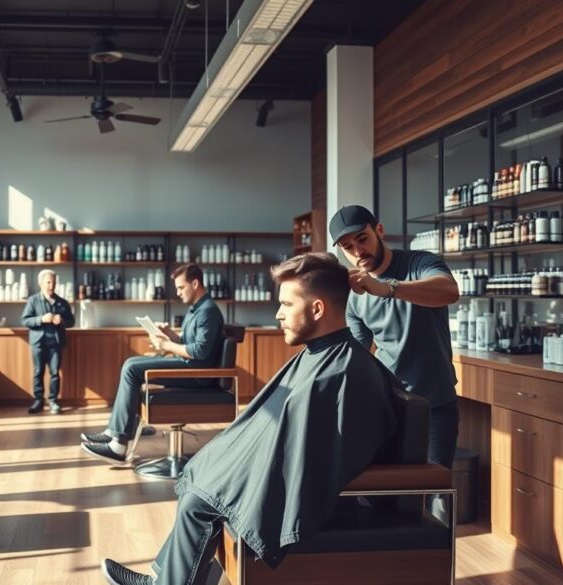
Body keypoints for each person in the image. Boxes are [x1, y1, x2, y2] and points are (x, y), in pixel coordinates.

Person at [100, 252, 399, 585]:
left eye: (286, 305)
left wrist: (246, 468)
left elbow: (317, 455)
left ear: (317, 309)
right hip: (279, 462)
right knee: (200, 478)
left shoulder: (343, 372)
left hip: (310, 487)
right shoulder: (322, 356)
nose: (278, 314)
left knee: (198, 504)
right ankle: (163, 580)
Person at [329, 204, 461, 473]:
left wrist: (387, 288)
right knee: (393, 492)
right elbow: (358, 355)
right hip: (389, 406)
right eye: (347, 247)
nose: (358, 252)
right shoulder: (355, 297)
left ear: (379, 230)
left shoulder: (420, 263)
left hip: (436, 403)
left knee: (437, 491)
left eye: (362, 239)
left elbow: (449, 291)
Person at [81, 264, 224, 464]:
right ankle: (114, 432)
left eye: (181, 288)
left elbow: (200, 352)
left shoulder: (208, 311)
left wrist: (166, 344)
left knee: (132, 368)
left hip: (196, 374)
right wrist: (171, 335)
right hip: (188, 366)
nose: (178, 293)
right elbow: (190, 344)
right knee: (131, 362)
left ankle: (119, 445)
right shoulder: (197, 309)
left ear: (195, 283)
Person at [20, 269, 75, 415]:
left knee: (55, 373)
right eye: (48, 282)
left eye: (54, 283)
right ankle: (38, 401)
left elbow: (72, 322)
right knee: (38, 372)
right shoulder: (33, 300)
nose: (51, 286)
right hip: (38, 343)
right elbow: (25, 320)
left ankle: (53, 401)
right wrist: (40, 319)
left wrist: (62, 321)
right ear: (40, 283)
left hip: (56, 343)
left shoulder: (62, 302)